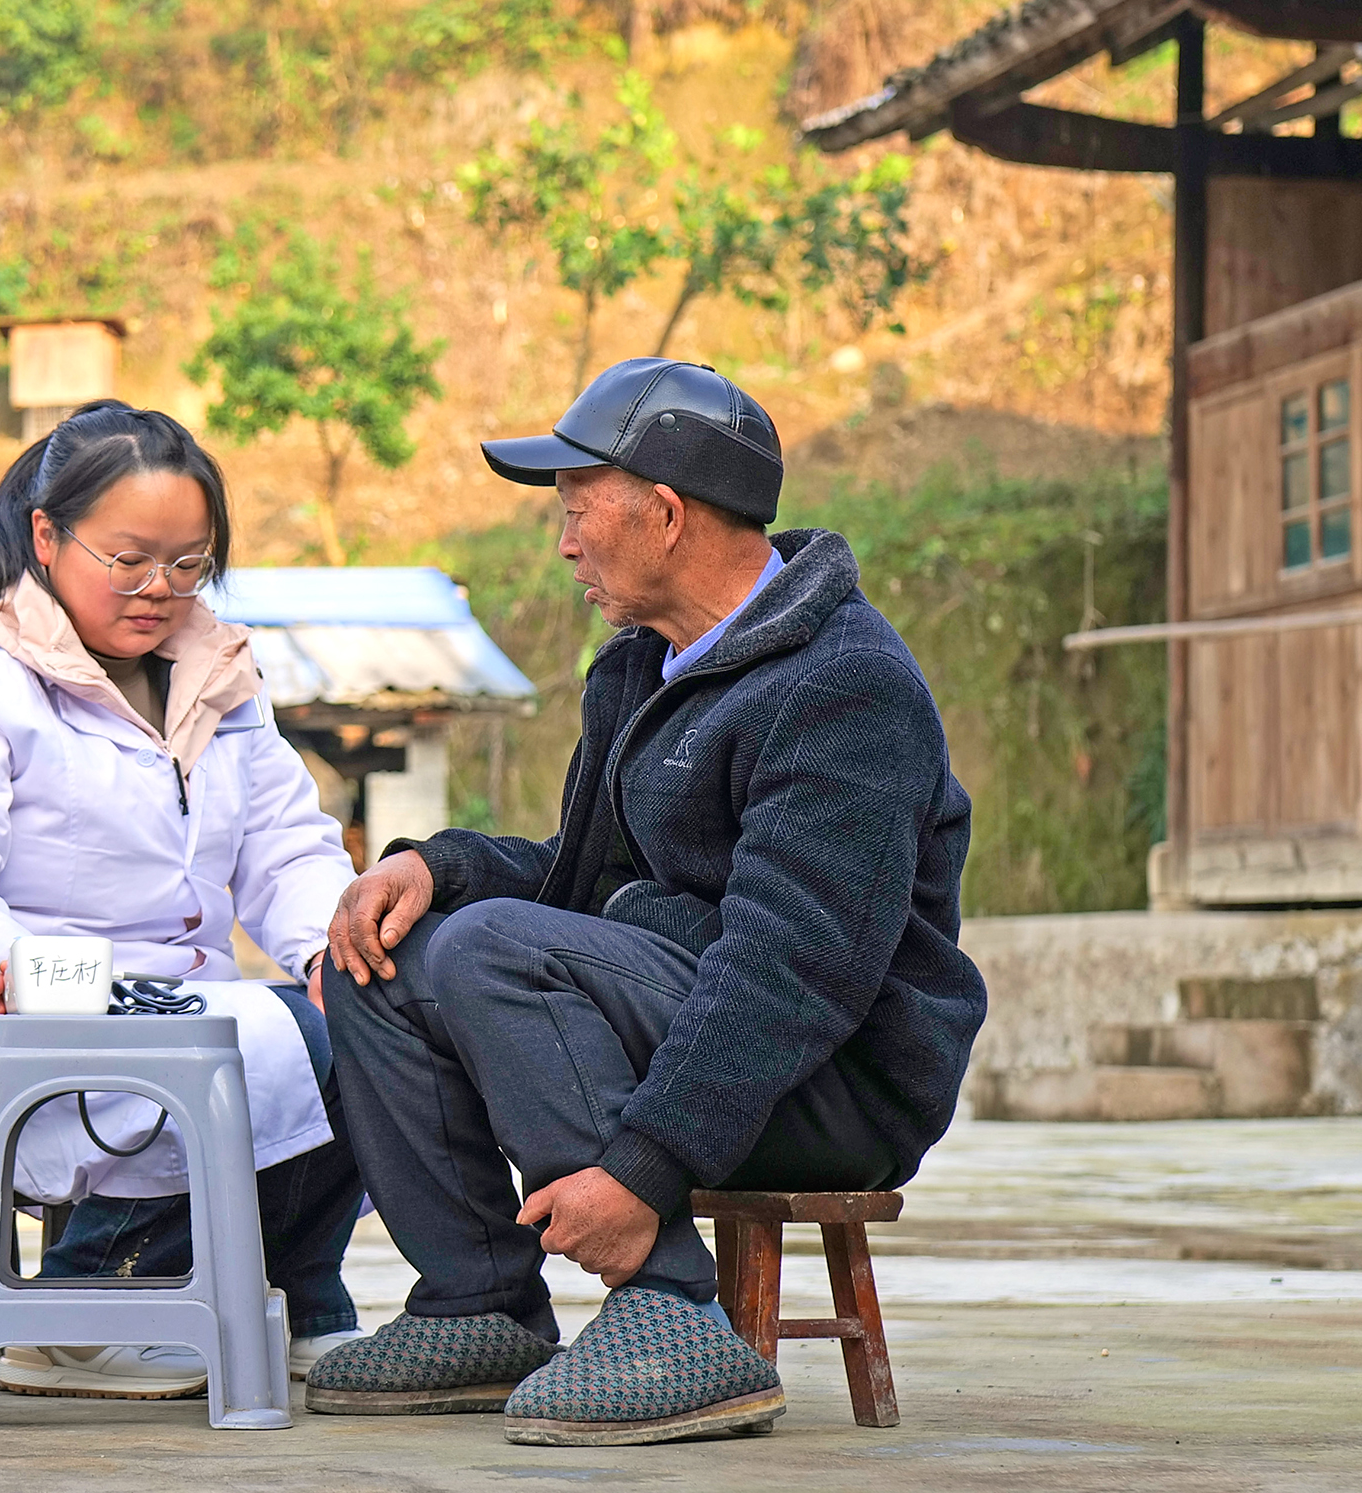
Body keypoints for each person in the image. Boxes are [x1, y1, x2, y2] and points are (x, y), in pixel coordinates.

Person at [303, 359, 986, 1448]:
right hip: (697, 1020)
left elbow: (794, 968)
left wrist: (638, 1172)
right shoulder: (642, 667)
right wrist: (434, 867)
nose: (564, 543)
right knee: (378, 954)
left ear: (665, 515)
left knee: (486, 951)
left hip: (833, 1076)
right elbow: (577, 885)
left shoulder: (846, 687)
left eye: (579, 512)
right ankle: (479, 1300)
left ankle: (672, 1313)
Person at [0, 399, 368, 1400]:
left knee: (373, 1006)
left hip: (196, 1018)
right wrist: (11, 969)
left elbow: (287, 847)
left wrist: (331, 948)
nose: (161, 590)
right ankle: (85, 1298)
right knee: (273, 1041)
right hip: (32, 1030)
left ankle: (301, 1290)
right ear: (47, 538)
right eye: (130, 559)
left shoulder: (218, 678)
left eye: (189, 563)